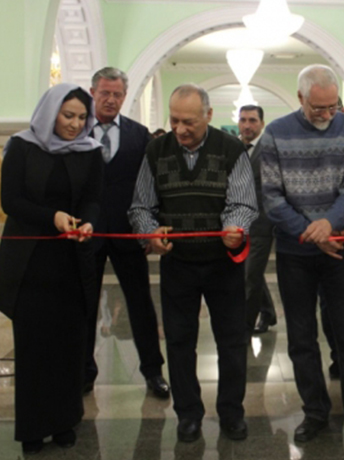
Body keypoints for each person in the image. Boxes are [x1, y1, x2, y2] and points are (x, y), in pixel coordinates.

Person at [259, 64, 344, 456]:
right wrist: (311, 233)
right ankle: (315, 412)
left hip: (339, 247)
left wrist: (329, 225)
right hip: (295, 252)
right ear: (300, 98)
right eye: (318, 108)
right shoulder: (275, 133)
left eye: (333, 106)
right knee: (301, 338)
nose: (327, 114)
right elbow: (272, 197)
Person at [128, 84, 257, 443]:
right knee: (179, 342)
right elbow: (140, 206)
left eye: (189, 122)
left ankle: (232, 412)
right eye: (174, 121)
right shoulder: (156, 150)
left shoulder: (231, 149)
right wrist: (150, 233)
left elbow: (243, 202)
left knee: (232, 341)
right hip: (178, 264)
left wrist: (236, 227)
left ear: (208, 115)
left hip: (222, 264)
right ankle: (188, 414)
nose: (180, 129)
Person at [0, 83, 103, 454]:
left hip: (71, 261)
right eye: (67, 115)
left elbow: (93, 198)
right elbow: (10, 201)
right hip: (30, 263)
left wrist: (87, 223)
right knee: (34, 347)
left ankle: (64, 422)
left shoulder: (90, 151)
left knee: (68, 345)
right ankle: (33, 427)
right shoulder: (22, 146)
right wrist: (53, 217)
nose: (75, 125)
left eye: (81, 117)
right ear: (50, 113)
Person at [84, 67, 169, 398]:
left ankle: (153, 371)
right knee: (84, 304)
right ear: (93, 93)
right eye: (105, 93)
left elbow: (151, 186)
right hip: (87, 234)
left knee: (140, 303)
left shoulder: (138, 134)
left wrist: (148, 228)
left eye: (117, 94)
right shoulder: (77, 130)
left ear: (124, 96)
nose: (111, 99)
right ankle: (83, 372)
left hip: (127, 232)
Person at [238, 104, 277, 335]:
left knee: (250, 276)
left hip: (262, 223)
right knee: (250, 273)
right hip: (238, 223)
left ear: (261, 124)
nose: (247, 125)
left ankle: (244, 328)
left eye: (252, 120)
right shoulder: (234, 148)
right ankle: (269, 312)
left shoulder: (269, 150)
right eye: (243, 120)